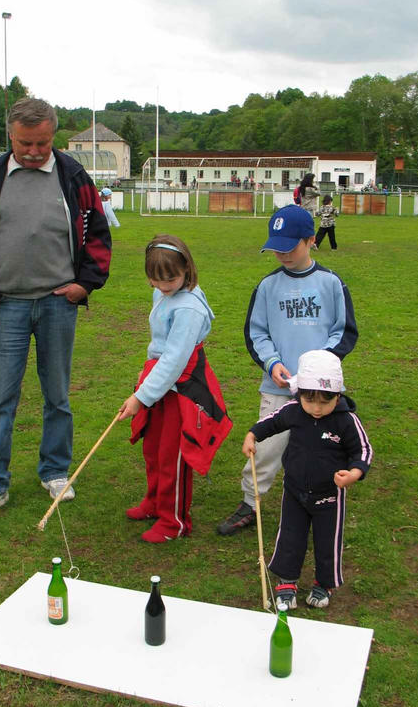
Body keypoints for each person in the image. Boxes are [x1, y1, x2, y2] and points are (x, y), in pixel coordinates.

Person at [0, 97, 112, 519]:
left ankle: (55, 471)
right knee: (0, 399)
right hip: (5, 306)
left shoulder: (74, 175)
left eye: (42, 142)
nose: (35, 151)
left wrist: (85, 284)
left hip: (59, 304)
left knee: (57, 395)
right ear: (11, 136)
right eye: (26, 143)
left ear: (52, 135)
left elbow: (97, 233)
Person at [217, 204, 358, 536]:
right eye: (275, 248)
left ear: (310, 240)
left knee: (324, 449)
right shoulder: (267, 287)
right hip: (277, 388)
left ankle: (322, 504)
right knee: (266, 448)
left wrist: (318, 366)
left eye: (288, 246)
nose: (281, 254)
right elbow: (257, 333)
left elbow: (344, 330)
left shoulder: (330, 283)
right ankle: (250, 503)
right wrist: (273, 363)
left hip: (321, 392)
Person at [119, 235, 232, 543]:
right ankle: (155, 502)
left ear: (187, 270)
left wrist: (140, 397)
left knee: (173, 454)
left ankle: (174, 521)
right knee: (153, 448)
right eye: (156, 280)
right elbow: (158, 349)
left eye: (171, 279)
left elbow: (174, 359)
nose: (164, 286)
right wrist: (144, 386)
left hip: (183, 385)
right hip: (160, 381)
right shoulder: (163, 293)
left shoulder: (189, 309)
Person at [242, 349, 372, 609]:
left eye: (325, 402)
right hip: (294, 491)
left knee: (327, 540)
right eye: (309, 400)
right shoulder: (294, 411)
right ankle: (287, 580)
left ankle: (324, 583)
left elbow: (363, 450)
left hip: (330, 495)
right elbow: (272, 422)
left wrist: (354, 473)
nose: (316, 408)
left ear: (338, 395)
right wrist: (252, 435)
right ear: (299, 393)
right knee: (290, 535)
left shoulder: (347, 421)